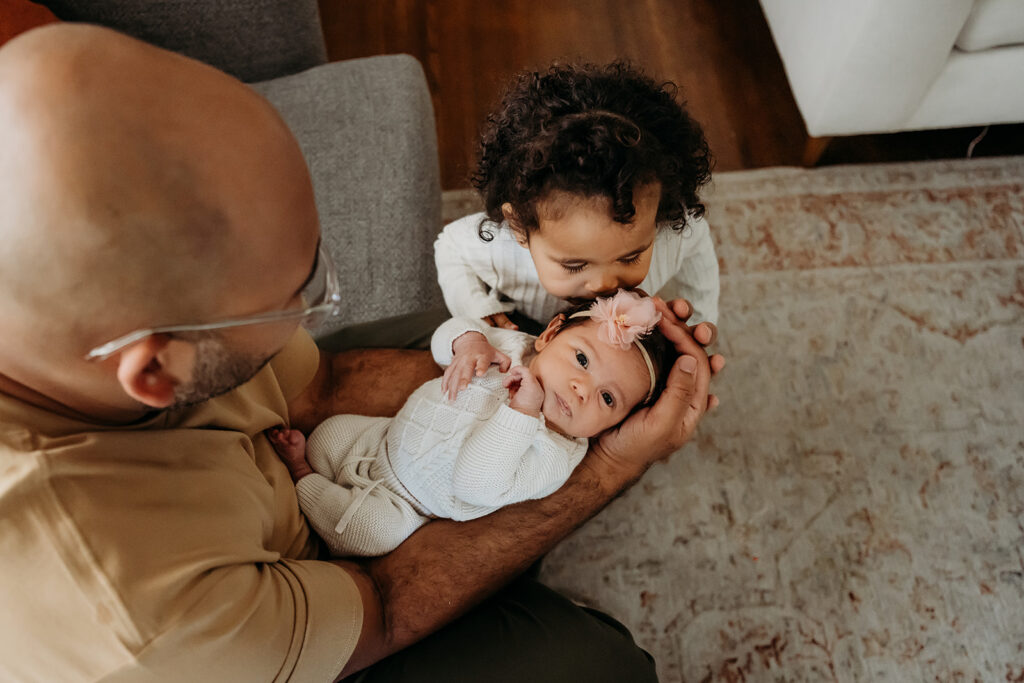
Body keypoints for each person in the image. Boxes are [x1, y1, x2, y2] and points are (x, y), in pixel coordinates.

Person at [0, 24, 721, 683]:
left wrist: (536, 373)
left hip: (339, 466)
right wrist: (608, 464)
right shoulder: (139, 613)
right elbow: (382, 602)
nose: (322, 308)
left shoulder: (70, 338)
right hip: (306, 628)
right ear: (157, 369)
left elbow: (325, 381)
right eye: (303, 290)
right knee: (606, 667)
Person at [268, 290, 676, 557]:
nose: (581, 388)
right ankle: (316, 471)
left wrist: (523, 412)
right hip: (380, 438)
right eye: (582, 360)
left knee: (368, 534)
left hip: (407, 504)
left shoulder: (556, 455)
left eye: (607, 398)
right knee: (328, 435)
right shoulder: (509, 347)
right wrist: (468, 343)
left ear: (612, 425)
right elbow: (445, 336)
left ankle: (303, 477)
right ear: (549, 335)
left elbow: (474, 483)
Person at [434, 61, 720, 336]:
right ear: (520, 227)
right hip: (529, 325)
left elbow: (697, 241)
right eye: (574, 265)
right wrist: (477, 309)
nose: (603, 285)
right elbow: (449, 248)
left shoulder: (671, 235)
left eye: (631, 256)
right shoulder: (500, 250)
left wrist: (699, 322)